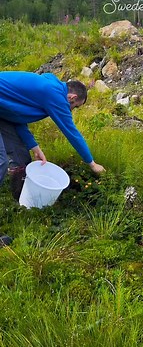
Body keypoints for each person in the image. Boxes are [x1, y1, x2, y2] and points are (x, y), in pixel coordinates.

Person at [0, 71, 106, 236]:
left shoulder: (50, 87)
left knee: (21, 160)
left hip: (3, 112)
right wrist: (91, 163)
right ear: (71, 98)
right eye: (75, 107)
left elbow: (16, 116)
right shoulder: (54, 95)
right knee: (2, 162)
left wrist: (35, 147)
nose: (72, 110)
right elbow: (72, 132)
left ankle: (21, 205)